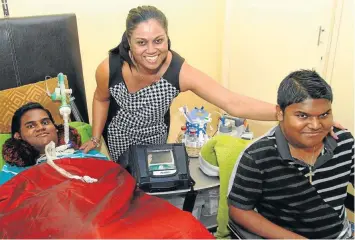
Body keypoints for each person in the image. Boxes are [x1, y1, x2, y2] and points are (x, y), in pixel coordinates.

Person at [79, 5, 279, 163]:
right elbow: (101, 98)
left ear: (167, 38)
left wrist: (283, 113)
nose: (151, 51)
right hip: (118, 136)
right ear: (128, 42)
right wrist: (96, 138)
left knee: (152, 192)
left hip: (155, 138)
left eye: (158, 41)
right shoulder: (110, 68)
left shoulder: (178, 72)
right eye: (141, 42)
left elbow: (232, 102)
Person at [227, 70, 354, 239]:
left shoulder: (344, 142)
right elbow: (239, 210)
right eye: (303, 116)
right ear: (280, 113)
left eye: (324, 115)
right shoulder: (258, 156)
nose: (316, 125)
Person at [0, 102, 107, 185]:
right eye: (30, 126)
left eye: (45, 122)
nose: (41, 128)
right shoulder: (11, 172)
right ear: (18, 136)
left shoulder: (86, 155)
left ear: (56, 129)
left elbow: (112, 179)